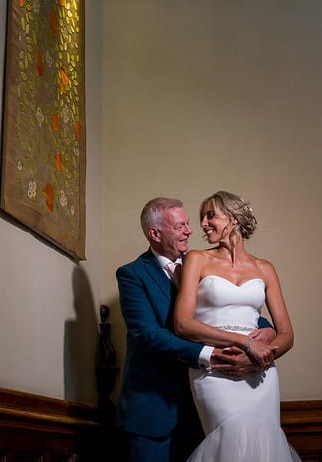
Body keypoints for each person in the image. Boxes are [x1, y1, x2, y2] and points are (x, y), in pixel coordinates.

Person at [116, 197, 276, 462]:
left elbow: (232, 310)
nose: (190, 231)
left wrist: (267, 330)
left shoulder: (202, 263)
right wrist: (208, 354)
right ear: (155, 233)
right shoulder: (132, 274)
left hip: (203, 408)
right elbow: (147, 335)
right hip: (154, 412)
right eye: (180, 226)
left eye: (188, 224)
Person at [174, 191, 301, 461]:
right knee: (228, 443)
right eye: (202, 218)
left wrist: (259, 358)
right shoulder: (196, 259)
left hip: (261, 373)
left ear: (232, 218)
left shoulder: (265, 268)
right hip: (217, 367)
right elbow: (183, 324)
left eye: (210, 216)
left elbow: (286, 334)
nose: (203, 224)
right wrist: (245, 343)